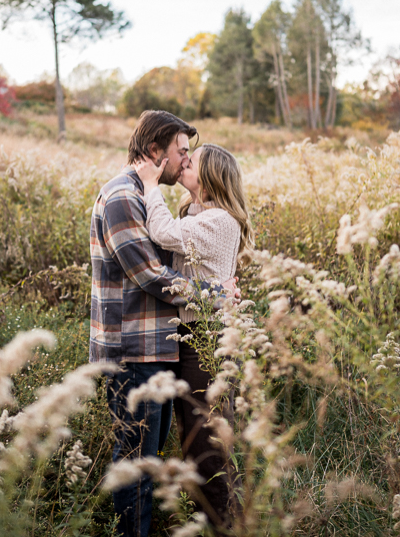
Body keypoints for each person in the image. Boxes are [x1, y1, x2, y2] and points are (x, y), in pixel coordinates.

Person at [90, 110, 228, 537]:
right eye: (181, 151)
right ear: (155, 151)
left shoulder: (144, 195)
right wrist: (216, 293)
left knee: (148, 463)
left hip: (156, 350)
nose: (186, 160)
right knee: (136, 465)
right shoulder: (122, 197)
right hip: (134, 352)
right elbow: (150, 276)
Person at [135, 143, 253, 532]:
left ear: (211, 175)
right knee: (193, 441)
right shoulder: (196, 213)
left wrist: (150, 185)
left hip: (209, 340)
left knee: (207, 449)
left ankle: (225, 527)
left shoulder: (219, 221)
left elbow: (163, 231)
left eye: (193, 159)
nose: (185, 161)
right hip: (190, 335)